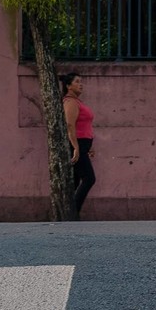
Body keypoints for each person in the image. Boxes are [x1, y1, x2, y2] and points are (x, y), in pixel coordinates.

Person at [60, 72, 97, 214]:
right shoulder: (70, 102)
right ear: (69, 86)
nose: (81, 84)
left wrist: (89, 146)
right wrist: (76, 147)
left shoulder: (77, 102)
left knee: (75, 182)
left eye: (81, 81)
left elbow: (85, 126)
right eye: (77, 81)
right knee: (89, 178)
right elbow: (70, 125)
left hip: (83, 145)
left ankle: (67, 213)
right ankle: (72, 214)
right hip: (77, 145)